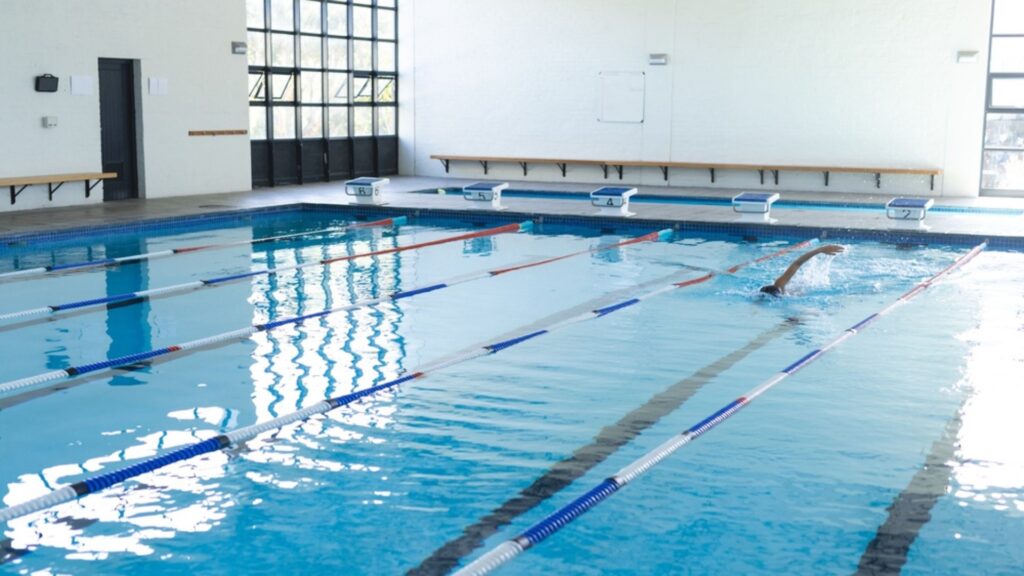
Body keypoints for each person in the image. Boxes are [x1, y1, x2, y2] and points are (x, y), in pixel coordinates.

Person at [759, 244, 844, 297]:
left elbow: (798, 263)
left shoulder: (779, 284)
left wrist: (819, 250)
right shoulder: (780, 290)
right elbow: (797, 263)